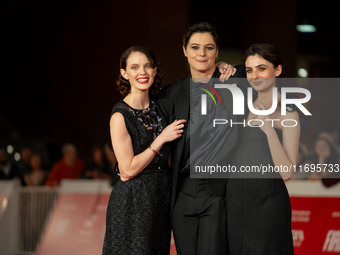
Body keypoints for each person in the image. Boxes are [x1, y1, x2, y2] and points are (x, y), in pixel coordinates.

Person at [157, 22, 246, 255]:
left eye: (209, 48)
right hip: (182, 193)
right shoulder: (170, 95)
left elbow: (262, 70)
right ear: (185, 50)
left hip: (217, 193)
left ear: (217, 52)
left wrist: (231, 67)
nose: (202, 54)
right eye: (195, 47)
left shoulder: (233, 84)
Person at [102, 46, 186, 255]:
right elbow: (128, 170)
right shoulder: (119, 116)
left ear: (155, 70)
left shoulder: (161, 105)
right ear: (124, 73)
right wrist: (161, 139)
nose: (143, 72)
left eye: (148, 66)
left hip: (159, 199)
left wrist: (221, 67)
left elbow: (191, 84)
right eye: (135, 67)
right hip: (132, 201)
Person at [226, 43, 300, 254]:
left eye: (261, 68)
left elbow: (287, 172)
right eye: (249, 70)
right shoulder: (241, 108)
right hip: (235, 202)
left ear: (277, 70)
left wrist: (268, 131)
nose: (254, 75)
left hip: (267, 204)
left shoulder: (288, 113)